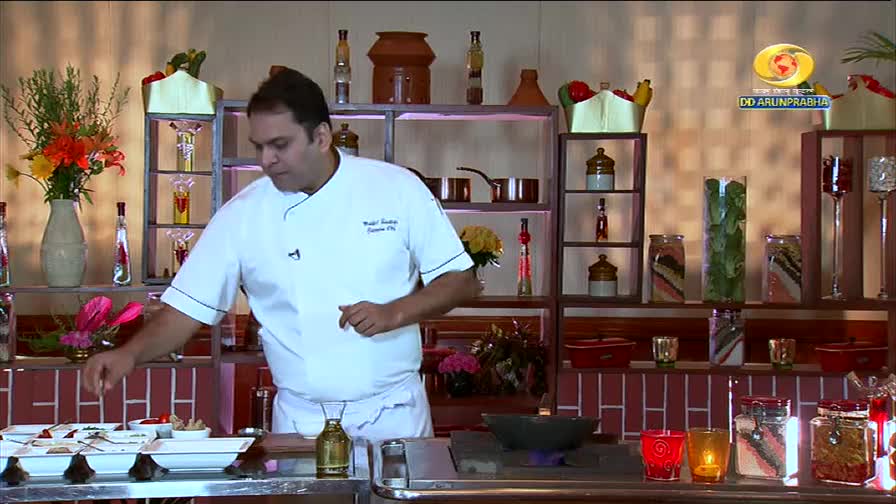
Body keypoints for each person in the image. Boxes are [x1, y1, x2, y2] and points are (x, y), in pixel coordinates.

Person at [82, 68, 480, 441]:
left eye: (280, 145)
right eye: (259, 146)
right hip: (300, 424)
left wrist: (394, 313)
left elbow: (462, 282)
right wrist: (128, 354)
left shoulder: (396, 188)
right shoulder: (243, 214)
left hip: (393, 416)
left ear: (321, 137)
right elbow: (187, 308)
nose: (266, 160)